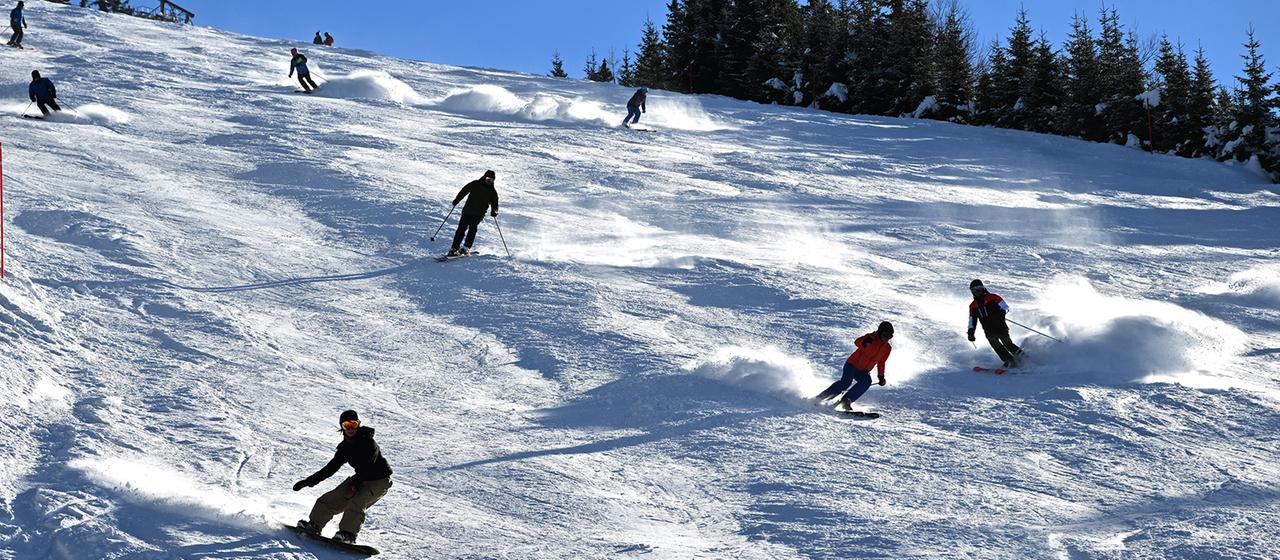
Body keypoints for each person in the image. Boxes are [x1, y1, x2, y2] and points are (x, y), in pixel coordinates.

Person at [293, 410, 393, 545]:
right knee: (330, 499)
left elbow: (367, 466)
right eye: (347, 425)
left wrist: (355, 485)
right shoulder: (345, 448)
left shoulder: (368, 443)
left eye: (353, 424)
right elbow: (330, 468)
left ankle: (348, 534)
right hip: (360, 478)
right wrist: (308, 481)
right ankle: (315, 525)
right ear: (342, 427)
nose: (351, 428)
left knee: (356, 502)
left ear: (358, 424)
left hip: (379, 480)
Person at [814, 321, 893, 411]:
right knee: (845, 383)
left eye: (890, 336)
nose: (887, 338)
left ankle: (847, 400)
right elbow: (857, 342)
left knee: (866, 381)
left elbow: (882, 362)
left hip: (863, 371)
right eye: (885, 335)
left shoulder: (887, 348)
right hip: (852, 365)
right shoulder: (871, 338)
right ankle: (821, 397)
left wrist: (881, 376)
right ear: (880, 332)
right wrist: (864, 342)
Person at [967, 279, 1023, 367]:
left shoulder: (993, 297)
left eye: (979, 288)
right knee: (995, 345)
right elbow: (972, 320)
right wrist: (971, 331)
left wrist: (1001, 313)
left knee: (1007, 343)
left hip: (1000, 325)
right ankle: (1009, 361)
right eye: (974, 290)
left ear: (983, 288)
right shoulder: (973, 306)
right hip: (988, 329)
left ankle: (1023, 357)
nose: (977, 291)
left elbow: (1005, 306)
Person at [447, 170, 500, 257]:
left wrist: (494, 211)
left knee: (473, 228)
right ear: (484, 177)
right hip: (467, 211)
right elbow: (464, 190)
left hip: (479, 214)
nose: (489, 181)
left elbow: (495, 203)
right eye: (487, 179)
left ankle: (466, 247)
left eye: (491, 180)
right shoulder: (475, 184)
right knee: (461, 228)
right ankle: (454, 248)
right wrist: (457, 199)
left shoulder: (492, 192)